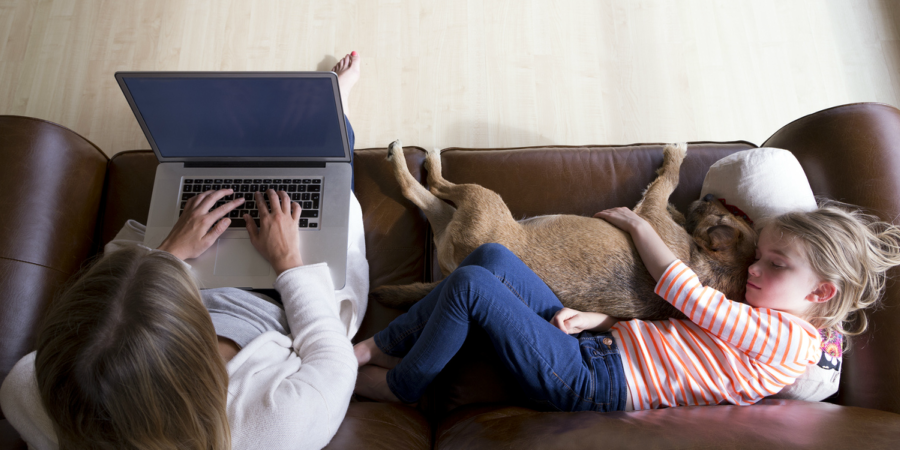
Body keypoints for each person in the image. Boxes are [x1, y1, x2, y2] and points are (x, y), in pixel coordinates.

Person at [0, 52, 365, 450]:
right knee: (328, 180)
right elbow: (335, 360)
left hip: (194, 274)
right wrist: (289, 263)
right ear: (193, 373)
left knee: (208, 179)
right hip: (280, 305)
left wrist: (169, 254)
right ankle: (335, 108)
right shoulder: (272, 426)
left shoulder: (33, 398)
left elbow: (33, 371)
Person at [354, 200, 900, 411]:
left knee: (474, 288)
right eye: (759, 257)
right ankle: (376, 348)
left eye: (776, 265)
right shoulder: (759, 321)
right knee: (492, 257)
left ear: (821, 293)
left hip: (592, 382)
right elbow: (680, 337)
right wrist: (606, 318)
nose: (753, 269)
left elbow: (687, 296)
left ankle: (401, 383)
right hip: (597, 346)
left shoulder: (792, 340)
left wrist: (642, 225)